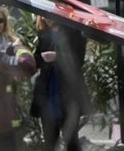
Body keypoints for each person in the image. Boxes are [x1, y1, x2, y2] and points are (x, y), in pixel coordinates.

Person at [30, 15, 91, 151]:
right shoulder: (44, 34)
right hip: (48, 93)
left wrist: (57, 56)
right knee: (50, 140)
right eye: (43, 16)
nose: (47, 19)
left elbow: (78, 60)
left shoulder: (74, 32)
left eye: (50, 15)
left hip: (68, 93)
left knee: (72, 140)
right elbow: (37, 60)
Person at [0, 4, 36, 149]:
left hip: (7, 112)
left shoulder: (11, 42)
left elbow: (27, 69)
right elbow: (28, 65)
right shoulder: (0, 55)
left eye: (0, 20)